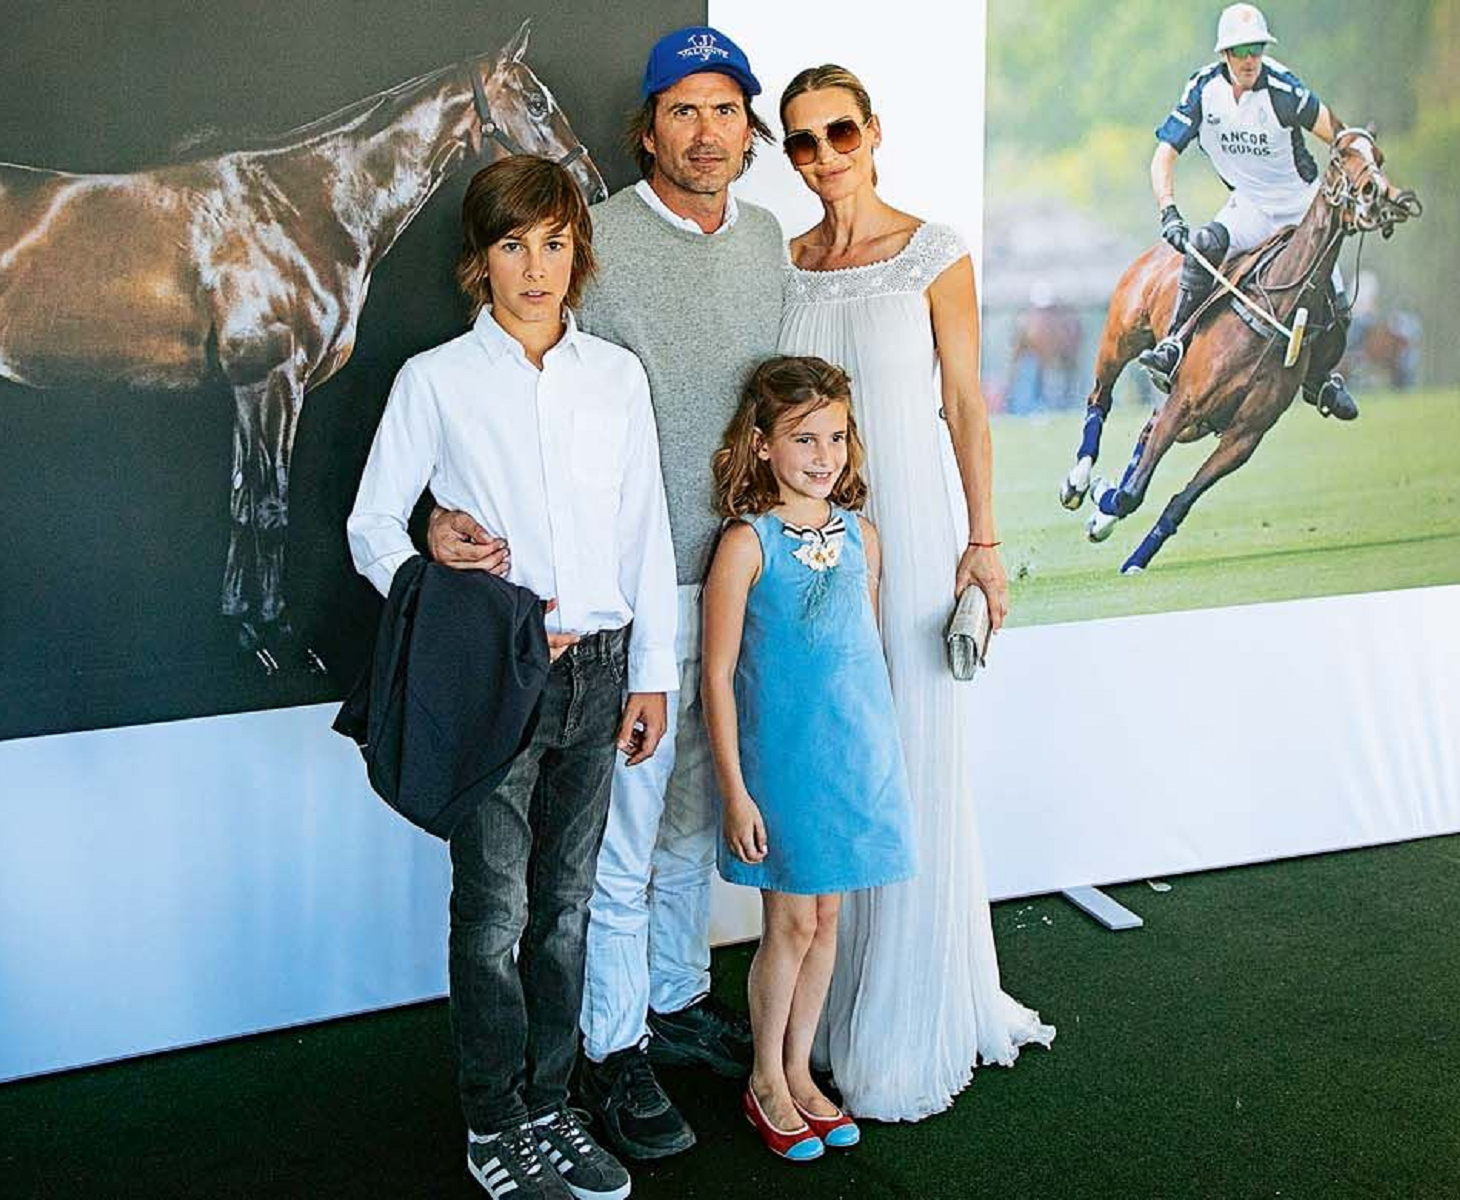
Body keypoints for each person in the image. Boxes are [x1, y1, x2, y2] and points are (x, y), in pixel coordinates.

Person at [426, 26, 786, 1161]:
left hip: (740, 570)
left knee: (691, 815)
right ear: (646, 130)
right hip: (633, 587)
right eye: (681, 110)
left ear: (747, 127)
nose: (704, 131)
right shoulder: (596, 239)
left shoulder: (769, 238)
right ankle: (610, 1047)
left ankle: (673, 1002)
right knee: (617, 843)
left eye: (724, 109)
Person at [347, 154, 677, 1200]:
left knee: (565, 908)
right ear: (476, 260)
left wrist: (650, 677)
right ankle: (494, 1127)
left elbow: (644, 534)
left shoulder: (615, 377)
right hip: (493, 678)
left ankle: (549, 1106)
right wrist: (428, 559)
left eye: (552, 242)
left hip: (601, 671)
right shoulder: (435, 382)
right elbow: (366, 526)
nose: (534, 268)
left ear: (576, 250)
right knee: (491, 916)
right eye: (510, 244)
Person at [775, 64, 1055, 1121]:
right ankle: (820, 1015)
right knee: (831, 758)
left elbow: (964, 410)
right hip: (813, 551)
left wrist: (981, 543)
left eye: (837, 132)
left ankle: (906, 1021)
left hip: (916, 536)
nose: (821, 157)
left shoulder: (934, 254)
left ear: (874, 132)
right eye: (799, 143)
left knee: (907, 763)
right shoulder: (786, 263)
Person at [703, 356, 916, 1161]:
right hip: (782, 767)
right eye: (802, 438)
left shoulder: (862, 537)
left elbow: (860, 655)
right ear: (761, 444)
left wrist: (879, 756)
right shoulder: (745, 544)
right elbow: (718, 678)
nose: (823, 455)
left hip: (853, 763)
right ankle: (764, 1079)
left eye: (835, 437)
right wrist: (735, 791)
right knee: (790, 922)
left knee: (829, 920)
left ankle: (799, 1068)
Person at [1134, 2, 1360, 420]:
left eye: (1256, 48)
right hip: (1250, 207)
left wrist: (1346, 192)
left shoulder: (1285, 89)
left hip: (1302, 209)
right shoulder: (1203, 90)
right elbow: (1163, 156)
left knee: (1339, 305)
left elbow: (1342, 138)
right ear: (1224, 54)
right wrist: (1169, 210)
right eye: (1240, 51)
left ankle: (1320, 381)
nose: (1250, 59)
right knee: (1202, 247)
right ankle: (1173, 345)